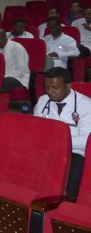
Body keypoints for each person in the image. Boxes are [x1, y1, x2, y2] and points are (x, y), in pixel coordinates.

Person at [33, 67, 91, 199]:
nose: (50, 92)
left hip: (75, 152)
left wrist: (59, 141)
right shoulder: (43, 101)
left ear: (68, 86)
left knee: (75, 174)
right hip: (47, 148)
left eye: (54, 87)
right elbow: (36, 130)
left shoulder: (86, 105)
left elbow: (86, 140)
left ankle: (70, 205)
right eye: (47, 87)